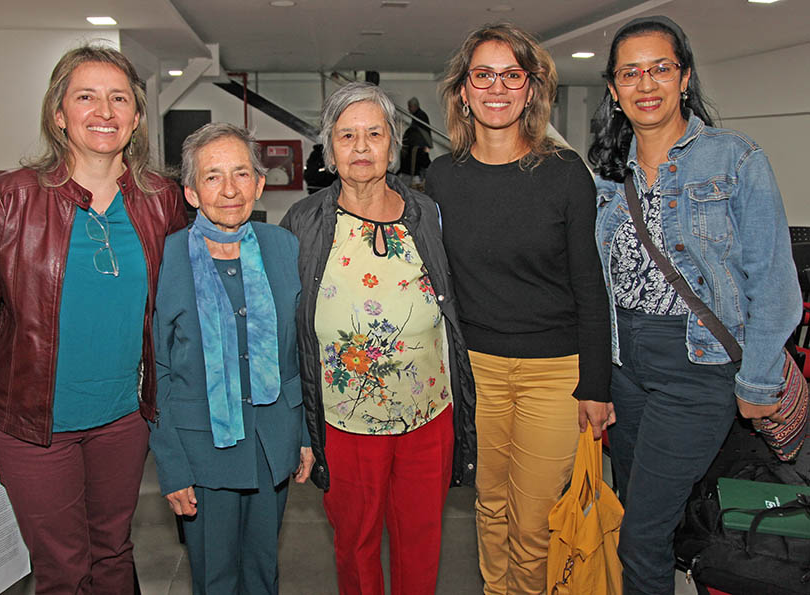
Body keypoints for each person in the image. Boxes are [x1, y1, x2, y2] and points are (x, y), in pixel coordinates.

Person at [0, 45, 187, 592]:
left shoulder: (162, 200)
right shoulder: (10, 196)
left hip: (125, 420)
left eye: (118, 98)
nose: (104, 110)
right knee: (62, 568)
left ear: (135, 118)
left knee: (113, 553)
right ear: (59, 114)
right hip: (36, 426)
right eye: (86, 97)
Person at [588, 16, 802, 594]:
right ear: (613, 90)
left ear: (684, 77)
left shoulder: (735, 158)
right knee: (644, 517)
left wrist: (757, 383)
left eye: (660, 68)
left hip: (698, 366)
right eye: (629, 73)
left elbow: (775, 281)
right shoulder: (606, 174)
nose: (645, 83)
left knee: (640, 536)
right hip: (625, 367)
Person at [426, 23, 613, 595]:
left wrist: (597, 386)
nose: (498, 87)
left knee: (532, 525)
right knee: (487, 507)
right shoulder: (440, 178)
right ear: (464, 89)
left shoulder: (564, 174)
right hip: (475, 372)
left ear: (531, 89)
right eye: (484, 74)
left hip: (554, 376)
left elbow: (590, 285)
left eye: (513, 75)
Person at [280, 81, 476, 595]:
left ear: (393, 144)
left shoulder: (428, 215)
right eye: (347, 135)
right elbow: (286, 326)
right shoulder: (302, 223)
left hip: (427, 414)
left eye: (374, 133)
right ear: (328, 149)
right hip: (345, 419)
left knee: (420, 540)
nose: (362, 147)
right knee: (356, 543)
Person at [148, 123, 313, 594]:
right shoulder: (168, 257)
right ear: (192, 193)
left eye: (241, 173)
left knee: (264, 573)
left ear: (259, 184)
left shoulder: (283, 247)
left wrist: (302, 435)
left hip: (271, 443)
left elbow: (295, 354)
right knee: (215, 578)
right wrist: (173, 466)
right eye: (213, 176)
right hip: (203, 453)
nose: (229, 189)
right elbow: (156, 372)